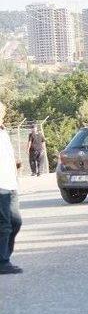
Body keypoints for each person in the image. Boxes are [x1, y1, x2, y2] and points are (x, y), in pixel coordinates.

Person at [0, 101, 23, 274]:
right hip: (1, 186)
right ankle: (3, 262)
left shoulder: (3, 132)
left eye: (2, 111)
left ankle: (4, 256)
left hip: (11, 184)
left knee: (16, 221)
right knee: (5, 224)